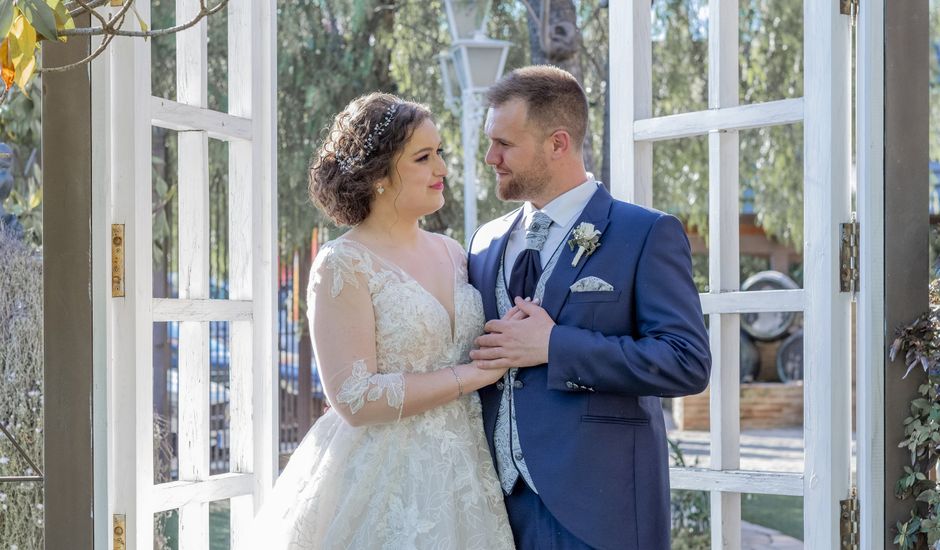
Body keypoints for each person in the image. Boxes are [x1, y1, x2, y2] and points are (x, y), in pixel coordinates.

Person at [467, 65, 712, 550]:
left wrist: (555, 346)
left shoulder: (644, 233)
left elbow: (686, 362)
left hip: (601, 511)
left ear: (558, 143)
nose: (490, 157)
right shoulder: (483, 241)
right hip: (493, 510)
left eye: (505, 144)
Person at [255, 92, 515, 549]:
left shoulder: (454, 254)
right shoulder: (343, 263)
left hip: (467, 473)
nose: (441, 169)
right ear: (377, 174)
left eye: (440, 153)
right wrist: (469, 376)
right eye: (423, 157)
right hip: (382, 476)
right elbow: (354, 397)